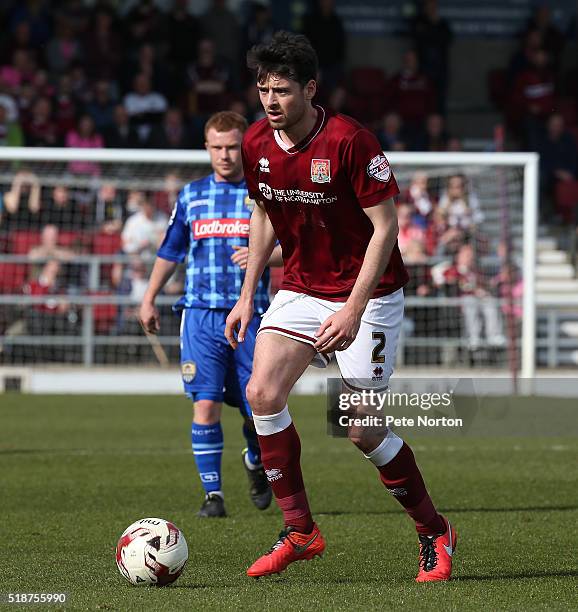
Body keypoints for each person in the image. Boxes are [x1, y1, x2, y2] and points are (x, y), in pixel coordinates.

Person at [225, 31, 456, 582]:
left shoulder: (352, 142)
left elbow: (386, 229)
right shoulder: (256, 142)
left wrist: (352, 309)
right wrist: (246, 294)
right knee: (261, 393)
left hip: (370, 294)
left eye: (281, 90)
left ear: (310, 88)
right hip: (302, 285)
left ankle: (434, 529)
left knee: (359, 428)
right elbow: (262, 215)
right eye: (263, 90)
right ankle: (300, 529)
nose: (271, 101)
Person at [139, 111, 281, 518]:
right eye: (217, 147)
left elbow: (297, 245)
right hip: (200, 314)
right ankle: (213, 496)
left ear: (245, 147)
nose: (224, 155)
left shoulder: (264, 193)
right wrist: (149, 296)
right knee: (205, 405)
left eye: (232, 147)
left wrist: (265, 257)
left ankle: (255, 461)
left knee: (259, 411)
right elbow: (171, 251)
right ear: (206, 148)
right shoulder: (191, 195)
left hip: (251, 316)